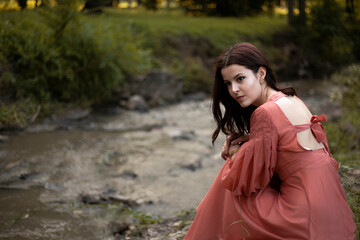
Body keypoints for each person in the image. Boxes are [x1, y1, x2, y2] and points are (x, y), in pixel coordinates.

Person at [184, 42, 356, 240]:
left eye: (240, 79)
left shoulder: (265, 112)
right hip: (330, 207)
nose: (234, 89)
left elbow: (245, 180)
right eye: (228, 83)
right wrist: (249, 140)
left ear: (261, 74)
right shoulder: (290, 98)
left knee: (231, 180)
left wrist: (234, 152)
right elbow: (289, 142)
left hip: (301, 215)